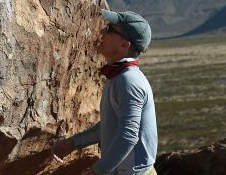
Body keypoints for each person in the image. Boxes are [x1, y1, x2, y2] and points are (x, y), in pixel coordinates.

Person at [52, 10, 158, 175]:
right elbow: (112, 126)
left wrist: (98, 171)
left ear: (124, 44)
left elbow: (128, 135)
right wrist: (73, 143)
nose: (102, 31)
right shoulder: (119, 76)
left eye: (109, 29)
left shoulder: (128, 81)